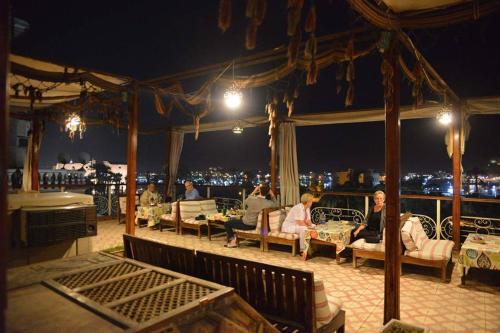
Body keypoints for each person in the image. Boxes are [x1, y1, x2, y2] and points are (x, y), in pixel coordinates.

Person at [281, 193, 319, 258]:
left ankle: (314, 248)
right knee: (304, 229)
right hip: (289, 226)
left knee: (313, 227)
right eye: (311, 201)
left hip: (297, 226)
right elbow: (300, 222)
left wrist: (313, 226)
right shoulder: (298, 208)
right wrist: (309, 228)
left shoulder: (307, 208)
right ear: (308, 202)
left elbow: (308, 221)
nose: (312, 202)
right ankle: (302, 250)